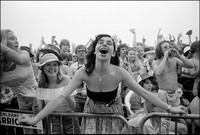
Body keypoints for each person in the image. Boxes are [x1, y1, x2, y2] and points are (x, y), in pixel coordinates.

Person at [18, 34, 187, 134]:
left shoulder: (119, 72)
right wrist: (35, 119)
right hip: (91, 114)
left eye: (109, 43)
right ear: (95, 49)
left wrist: (170, 108)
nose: (105, 44)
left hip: (113, 115)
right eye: (101, 42)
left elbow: (146, 93)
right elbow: (60, 97)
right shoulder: (83, 72)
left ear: (113, 51)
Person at [20, 53, 80, 134]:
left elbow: (74, 107)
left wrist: (67, 95)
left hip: (70, 120)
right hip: (52, 121)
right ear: (43, 67)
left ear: (58, 67)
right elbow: (37, 112)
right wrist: (34, 99)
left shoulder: (66, 79)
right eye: (48, 64)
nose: (52, 68)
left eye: (55, 64)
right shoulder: (41, 85)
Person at [0, 29, 38, 134]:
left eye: (16, 38)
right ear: (3, 41)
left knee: (43, 131)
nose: (16, 41)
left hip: (39, 99)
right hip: (22, 105)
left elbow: (20, 60)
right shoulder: (2, 65)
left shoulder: (24, 53)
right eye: (12, 39)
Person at [152, 40, 194, 107]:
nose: (168, 49)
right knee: (165, 116)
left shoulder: (175, 60)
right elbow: (158, 72)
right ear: (160, 50)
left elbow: (191, 65)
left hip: (175, 93)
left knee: (176, 115)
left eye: (169, 47)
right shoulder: (156, 62)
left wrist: (179, 56)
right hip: (163, 93)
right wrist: (165, 57)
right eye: (165, 47)